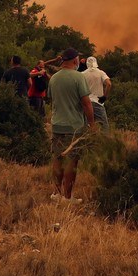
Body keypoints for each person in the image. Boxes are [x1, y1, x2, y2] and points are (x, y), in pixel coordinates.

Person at [48, 48, 95, 201]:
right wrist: (92, 124)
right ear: (75, 60)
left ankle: (56, 193)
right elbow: (87, 103)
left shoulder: (54, 78)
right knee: (71, 161)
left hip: (56, 125)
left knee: (57, 158)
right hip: (73, 127)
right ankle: (68, 198)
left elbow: (51, 98)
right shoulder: (78, 77)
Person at [83, 56, 112, 132]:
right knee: (104, 128)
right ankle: (104, 139)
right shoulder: (101, 73)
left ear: (87, 64)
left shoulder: (82, 74)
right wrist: (104, 97)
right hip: (97, 103)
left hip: (86, 103)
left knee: (86, 128)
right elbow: (109, 84)